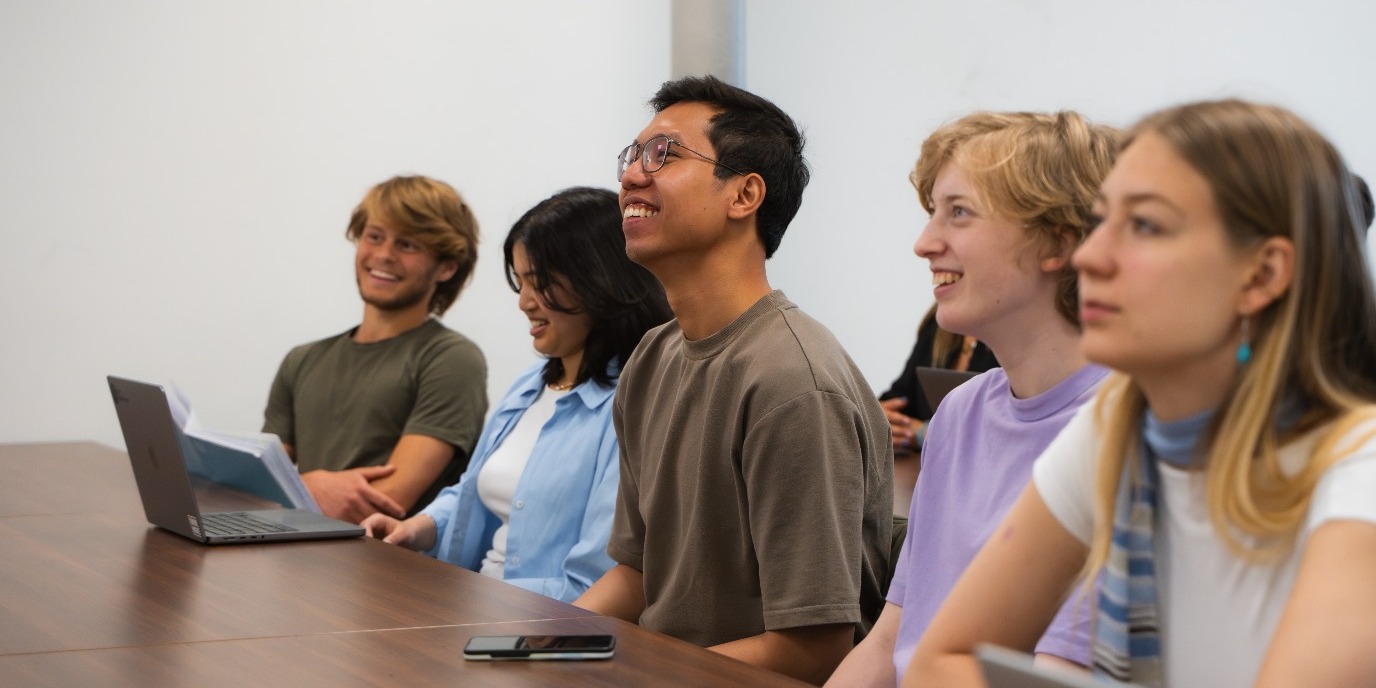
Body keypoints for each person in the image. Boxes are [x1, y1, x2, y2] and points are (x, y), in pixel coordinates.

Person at [907, 100, 1376, 688]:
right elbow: (940, 663)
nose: (1094, 255)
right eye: (1102, 222)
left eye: (1146, 226)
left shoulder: (1357, 472)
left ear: (1261, 275)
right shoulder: (1115, 429)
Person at [572, 75, 894, 685]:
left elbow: (812, 650)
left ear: (744, 195)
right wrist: (541, 644)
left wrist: (632, 674)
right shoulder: (653, 355)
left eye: (662, 155)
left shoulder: (792, 381)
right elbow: (638, 575)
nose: (631, 177)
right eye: (632, 156)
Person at [827, 111, 1121, 687]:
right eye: (933, 212)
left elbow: (1050, 675)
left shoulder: (1123, 434)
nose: (924, 243)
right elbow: (891, 640)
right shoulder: (960, 413)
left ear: (1058, 241)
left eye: (958, 213)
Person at [359, 187, 671, 602]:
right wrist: (418, 529)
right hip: (480, 604)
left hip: (535, 623)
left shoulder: (632, 406)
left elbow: (600, 577)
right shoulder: (530, 386)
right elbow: (473, 492)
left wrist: (466, 599)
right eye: (520, 283)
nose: (524, 302)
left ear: (600, 282)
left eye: (540, 284)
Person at [263, 175, 487, 524]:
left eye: (408, 245)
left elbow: (385, 501)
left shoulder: (451, 359)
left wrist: (291, 489)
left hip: (384, 571)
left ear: (446, 267)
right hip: (295, 559)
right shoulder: (302, 359)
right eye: (375, 236)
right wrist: (312, 486)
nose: (383, 255)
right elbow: (256, 484)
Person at [880, 303, 998, 454]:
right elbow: (900, 400)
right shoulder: (938, 323)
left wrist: (923, 433)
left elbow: (999, 435)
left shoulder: (1012, 330)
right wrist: (879, 414)